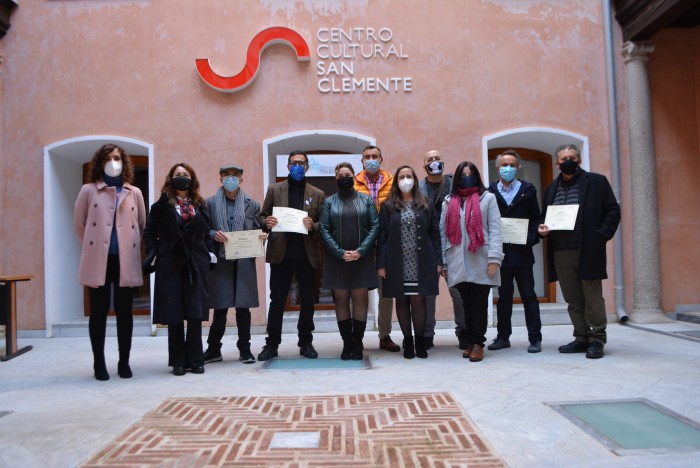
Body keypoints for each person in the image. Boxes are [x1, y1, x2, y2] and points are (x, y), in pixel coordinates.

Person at [538, 144, 620, 359]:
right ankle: (581, 337)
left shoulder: (597, 182)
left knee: (592, 297)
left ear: (579, 160)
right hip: (560, 250)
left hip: (588, 249)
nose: (568, 162)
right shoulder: (550, 188)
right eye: (564, 158)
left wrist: (599, 236)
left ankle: (597, 339)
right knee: (573, 298)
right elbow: (543, 217)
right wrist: (542, 228)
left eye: (572, 158)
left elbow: (612, 211)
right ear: (557, 163)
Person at [74, 143, 146, 381]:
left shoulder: (134, 192)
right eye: (108, 157)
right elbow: (80, 224)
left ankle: (124, 362)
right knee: (98, 313)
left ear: (124, 162)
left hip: (125, 260)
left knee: (125, 313)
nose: (113, 161)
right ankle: (99, 363)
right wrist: (95, 246)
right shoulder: (88, 190)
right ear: (100, 162)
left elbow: (141, 225)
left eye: (117, 157)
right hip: (98, 260)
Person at [143, 163, 213, 376]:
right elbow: (149, 233)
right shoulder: (160, 206)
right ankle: (178, 361)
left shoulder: (200, 204)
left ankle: (196, 359)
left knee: (194, 313)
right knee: (174, 314)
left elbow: (206, 232)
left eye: (185, 174)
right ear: (170, 178)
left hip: (195, 264)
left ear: (192, 179)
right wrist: (153, 254)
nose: (181, 178)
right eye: (177, 175)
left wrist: (209, 254)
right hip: (170, 264)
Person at [257, 150, 325, 361]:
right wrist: (265, 223)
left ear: (307, 167)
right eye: (293, 163)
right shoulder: (274, 189)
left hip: (307, 253)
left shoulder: (318, 193)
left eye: (301, 163)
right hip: (281, 252)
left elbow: (324, 224)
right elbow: (262, 215)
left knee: (307, 301)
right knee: (277, 300)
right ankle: (272, 344)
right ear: (288, 166)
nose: (297, 166)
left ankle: (306, 342)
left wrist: (313, 225)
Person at [203, 164, 267, 365]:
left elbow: (257, 229)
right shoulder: (209, 203)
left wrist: (261, 237)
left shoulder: (252, 204)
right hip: (220, 261)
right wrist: (214, 234)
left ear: (242, 179)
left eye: (235, 176)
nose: (231, 179)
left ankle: (245, 349)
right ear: (220, 177)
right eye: (227, 175)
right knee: (220, 308)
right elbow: (203, 230)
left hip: (243, 261)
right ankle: (213, 349)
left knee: (243, 308)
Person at [440, 161, 503, 363]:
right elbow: (443, 233)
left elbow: (495, 229)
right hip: (457, 261)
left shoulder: (488, 198)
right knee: (465, 303)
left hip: (482, 260)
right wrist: (444, 262)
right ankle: (470, 341)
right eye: (463, 174)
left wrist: (494, 258)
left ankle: (478, 343)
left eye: (471, 174)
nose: (467, 177)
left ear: (476, 176)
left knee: (479, 303)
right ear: (457, 178)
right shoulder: (448, 201)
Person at [377, 165, 442, 359]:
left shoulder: (426, 203)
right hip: (397, 262)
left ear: (415, 179)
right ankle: (408, 341)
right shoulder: (388, 206)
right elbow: (383, 236)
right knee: (402, 300)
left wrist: (439, 260)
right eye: (401, 177)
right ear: (396, 182)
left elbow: (435, 234)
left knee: (419, 299)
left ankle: (420, 340)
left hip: (422, 261)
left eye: (409, 176)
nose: (405, 180)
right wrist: (381, 263)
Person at [319, 162, 379, 360]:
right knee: (342, 300)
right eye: (340, 175)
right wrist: (339, 252)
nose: (344, 177)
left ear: (354, 176)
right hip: (338, 259)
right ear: (336, 179)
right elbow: (324, 229)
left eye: (347, 174)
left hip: (362, 258)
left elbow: (375, 226)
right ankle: (347, 344)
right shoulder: (328, 202)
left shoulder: (366, 200)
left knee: (360, 299)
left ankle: (358, 343)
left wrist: (361, 251)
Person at [487, 150, 543, 353]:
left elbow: (536, 218)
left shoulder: (528, 190)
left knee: (529, 296)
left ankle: (535, 338)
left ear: (517, 167)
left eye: (512, 164)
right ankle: (503, 337)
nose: (508, 168)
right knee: (504, 298)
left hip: (523, 253)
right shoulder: (490, 191)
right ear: (498, 167)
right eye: (504, 164)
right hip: (501, 255)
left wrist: (531, 238)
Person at [418, 149, 467, 350]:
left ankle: (463, 331)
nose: (434, 161)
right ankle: (427, 333)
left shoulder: (453, 185)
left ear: (443, 163)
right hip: (427, 246)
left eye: (437, 158)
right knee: (428, 294)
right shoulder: (418, 188)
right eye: (430, 159)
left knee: (457, 292)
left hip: (452, 244)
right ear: (425, 166)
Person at [354, 145, 401, 353]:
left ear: (381, 159)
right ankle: (356, 337)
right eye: (367, 157)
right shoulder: (354, 184)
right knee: (358, 293)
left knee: (386, 294)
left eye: (374, 156)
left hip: (386, 245)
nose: (371, 160)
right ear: (362, 161)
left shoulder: (393, 184)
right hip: (361, 246)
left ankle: (384, 336)